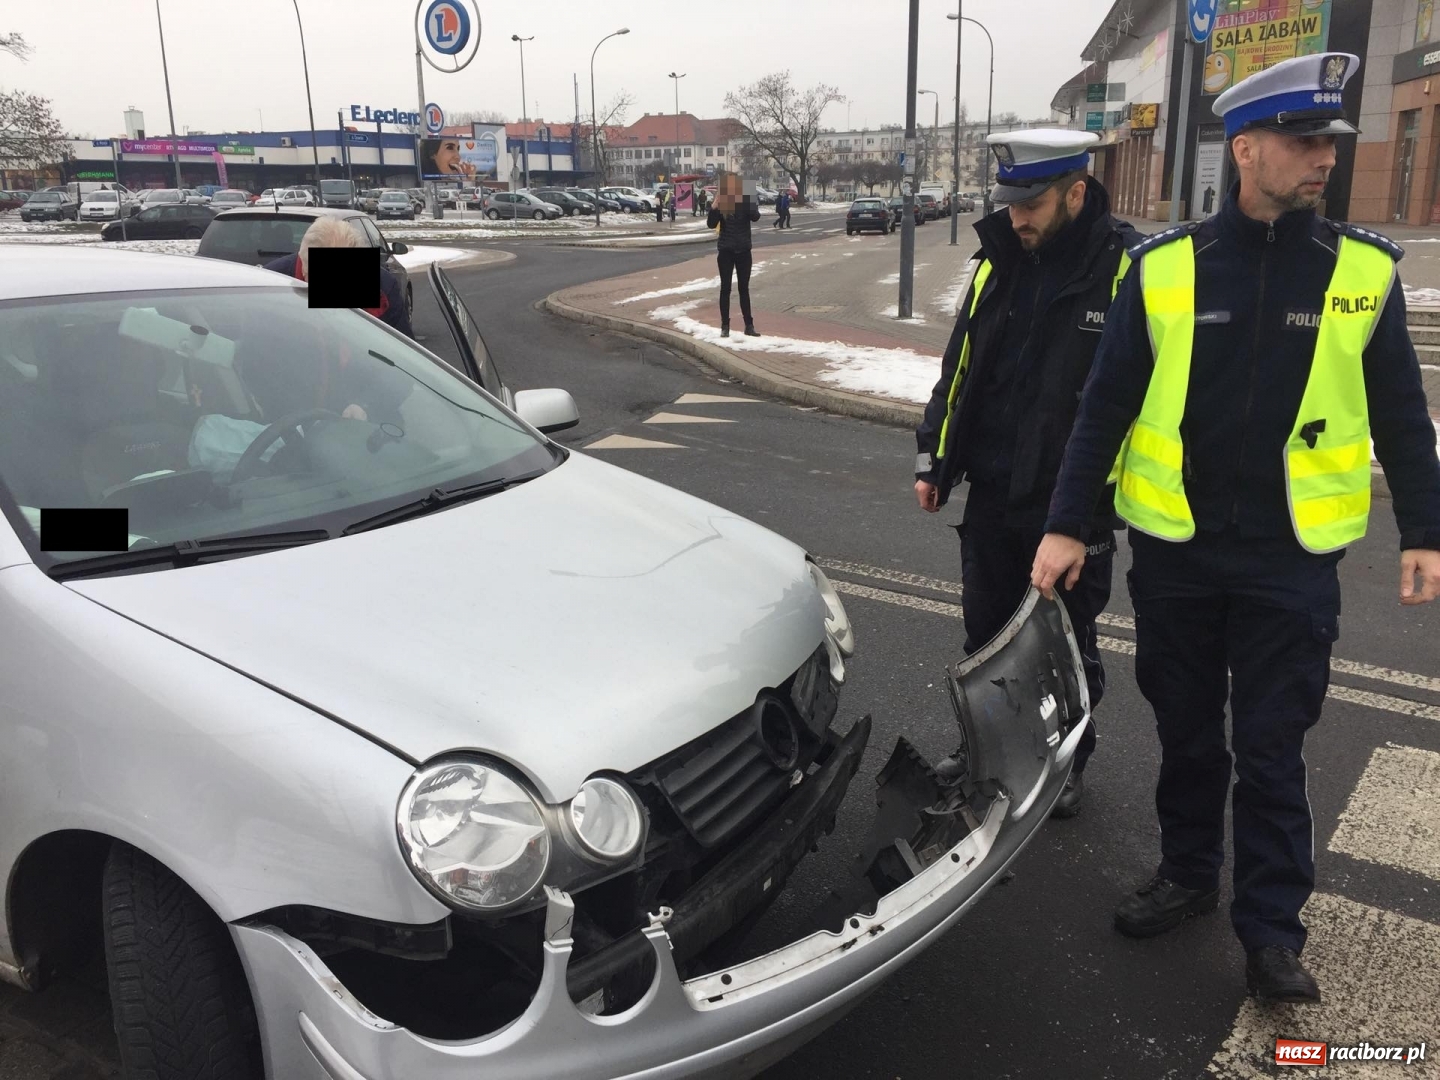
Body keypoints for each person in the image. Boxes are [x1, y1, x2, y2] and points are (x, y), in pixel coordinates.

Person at [1032, 53, 1440, 1003]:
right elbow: (1104, 409)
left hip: (1291, 561)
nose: (1324, 160)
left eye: (1331, 144)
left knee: (1269, 746)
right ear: (1246, 149)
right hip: (1176, 555)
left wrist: (1423, 529)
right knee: (1186, 731)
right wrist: (1064, 526)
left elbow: (1403, 415)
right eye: (1304, 143)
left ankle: (1270, 929)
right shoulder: (1167, 270)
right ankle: (1186, 873)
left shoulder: (1359, 274)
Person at [914, 129, 1137, 819]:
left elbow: (1135, 399)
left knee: (1062, 645)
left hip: (1070, 504)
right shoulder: (999, 262)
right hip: (994, 490)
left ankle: (1066, 761)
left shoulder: (1126, 268)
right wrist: (935, 456)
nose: (1017, 217)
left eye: (1032, 203)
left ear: (1076, 192)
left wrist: (1089, 509)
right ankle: (986, 748)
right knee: (985, 634)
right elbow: (961, 371)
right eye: (1010, 202)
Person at [263, 216, 414, 422]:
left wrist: (366, 404)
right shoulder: (271, 286)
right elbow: (252, 360)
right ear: (304, 269)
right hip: (289, 419)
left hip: (367, 417)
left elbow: (404, 364)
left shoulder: (381, 290)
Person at [706, 174, 762, 338]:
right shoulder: (723, 202)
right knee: (725, 289)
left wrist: (750, 198)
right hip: (726, 251)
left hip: (744, 250)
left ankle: (749, 325)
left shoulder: (746, 200)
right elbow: (711, 224)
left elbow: (755, 217)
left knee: (744, 289)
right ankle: (725, 326)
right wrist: (714, 206)